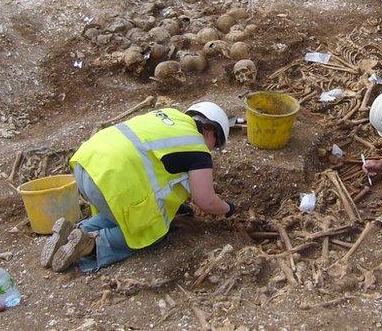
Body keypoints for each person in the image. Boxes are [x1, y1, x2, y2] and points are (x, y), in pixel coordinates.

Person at [40, 102, 237, 273]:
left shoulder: (168, 115)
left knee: (120, 214)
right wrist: (228, 209)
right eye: (216, 143)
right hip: (110, 183)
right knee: (152, 232)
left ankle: (73, 232)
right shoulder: (198, 149)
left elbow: (163, 168)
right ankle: (91, 245)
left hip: (85, 167)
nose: (213, 149)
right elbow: (206, 201)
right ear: (211, 130)